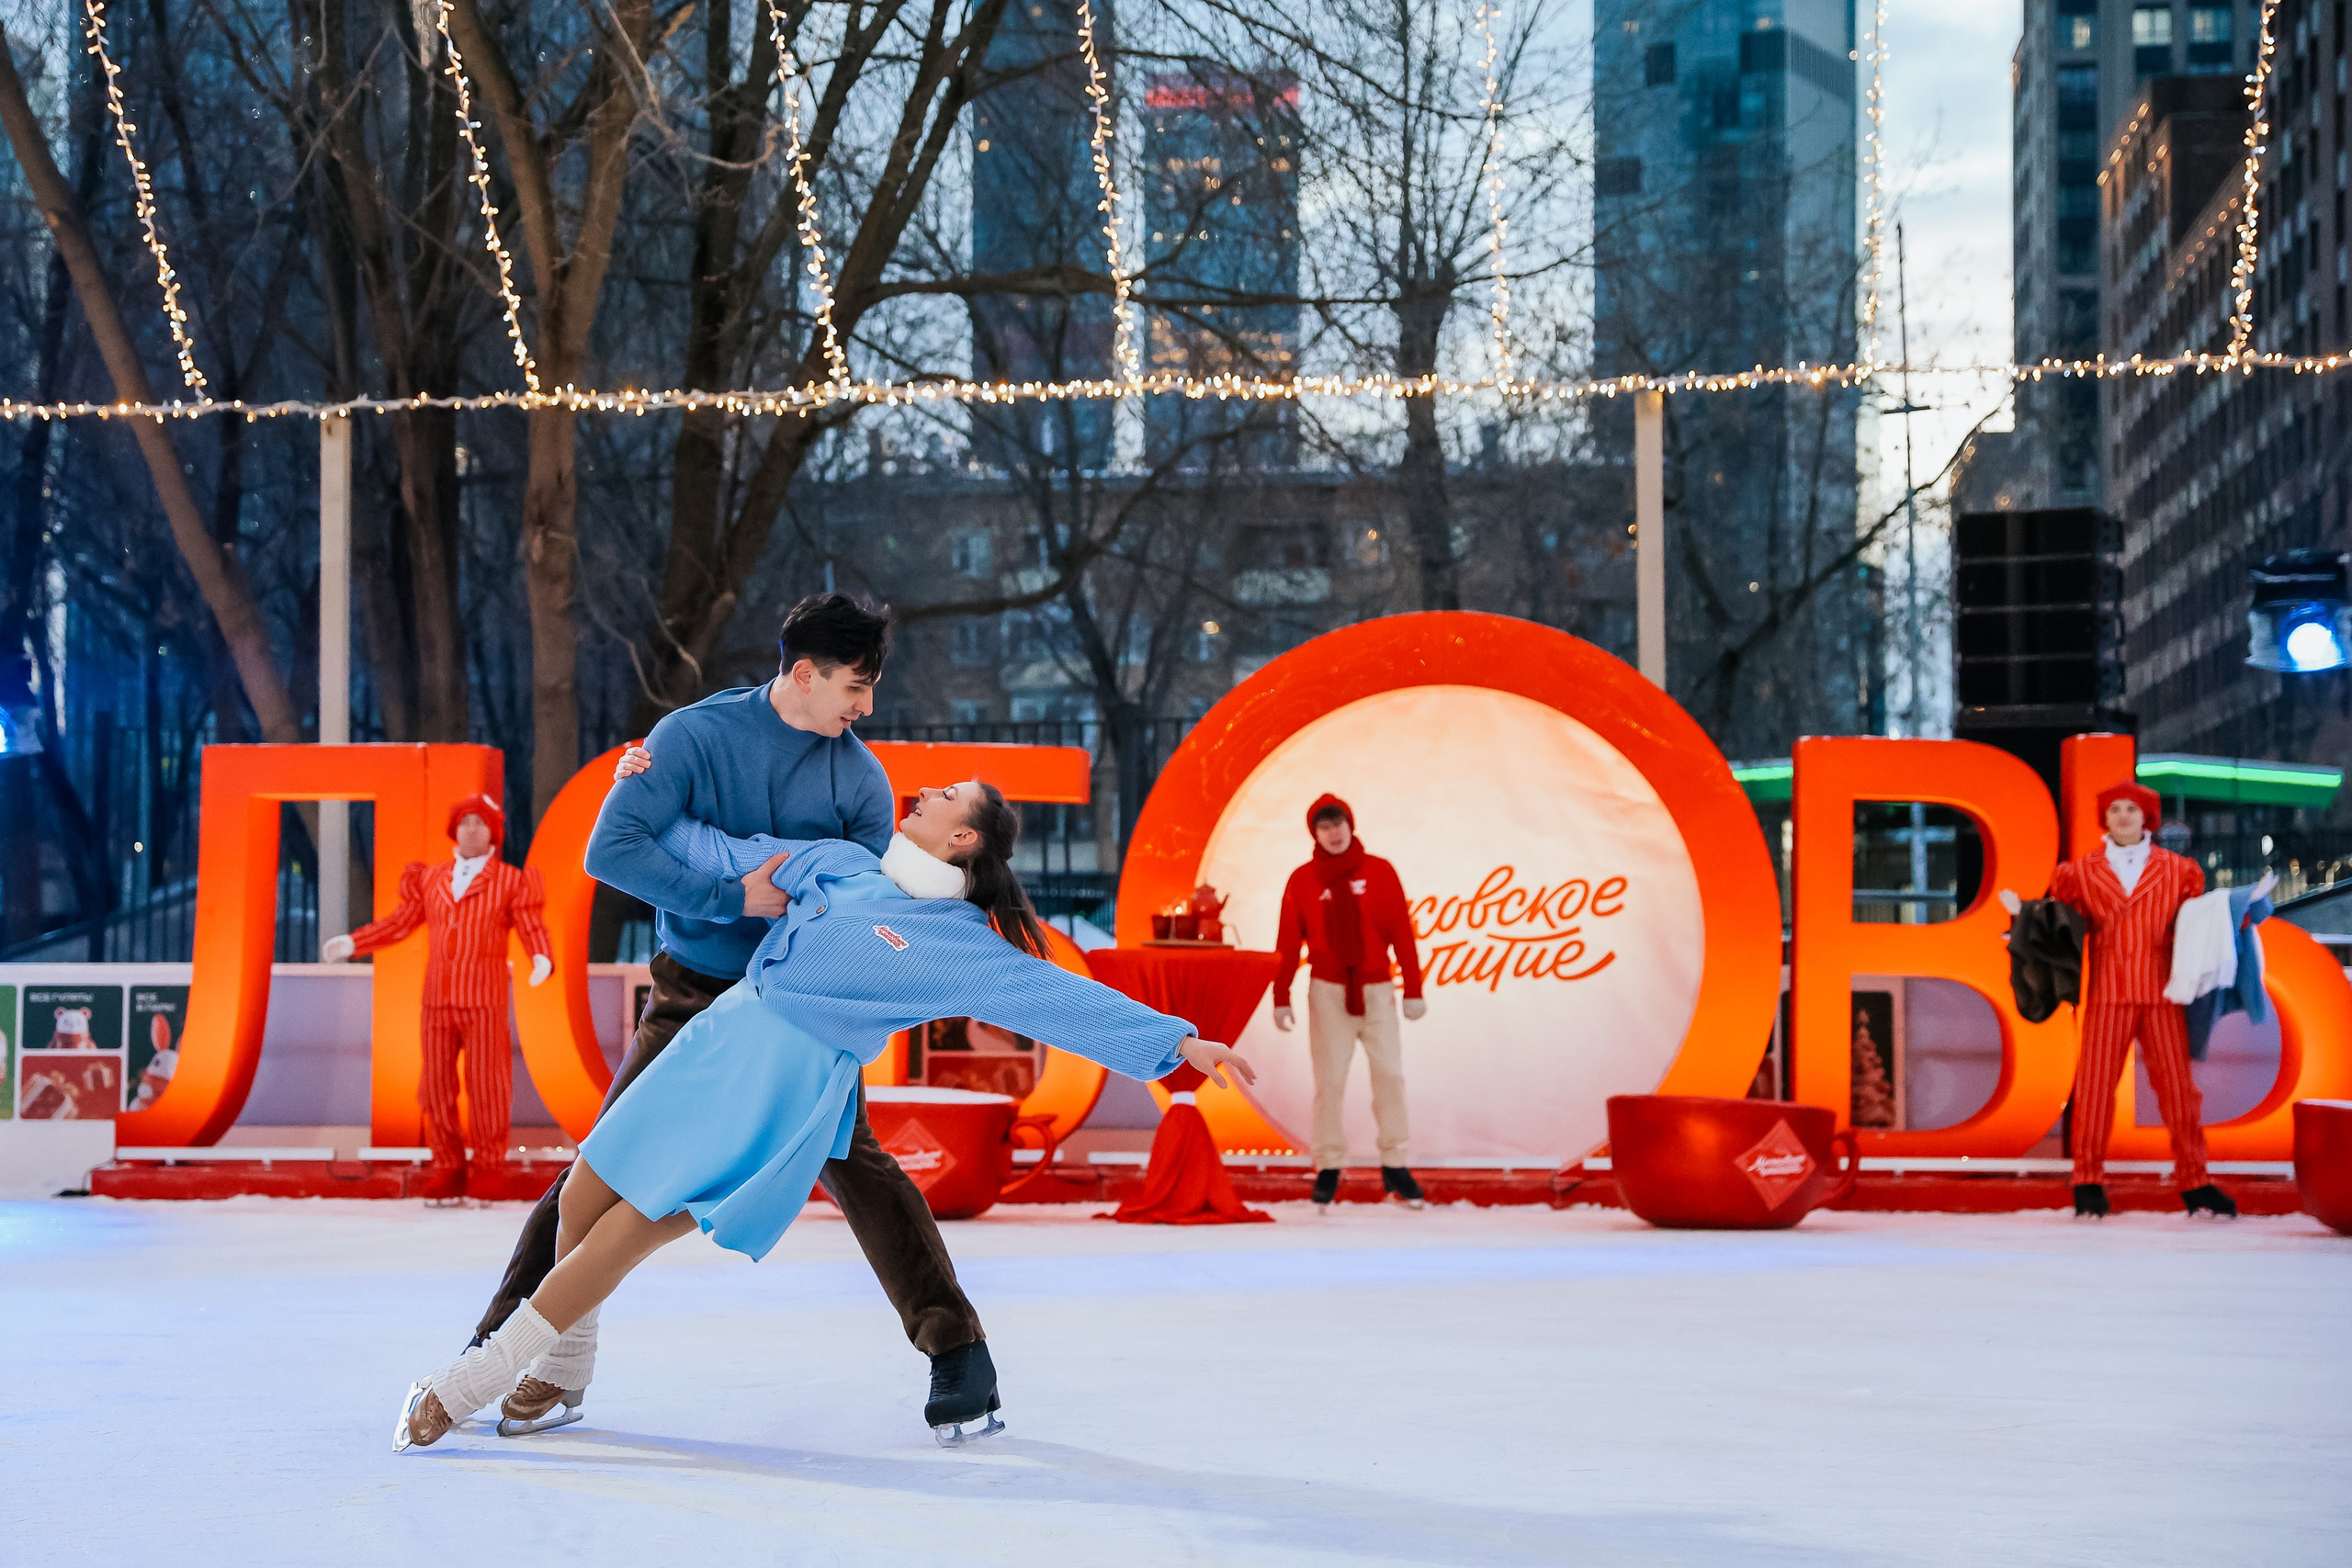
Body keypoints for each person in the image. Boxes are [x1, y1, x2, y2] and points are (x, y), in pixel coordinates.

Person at [394, 777, 1252, 1452]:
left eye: (948, 795)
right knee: (582, 1197)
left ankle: (468, 1384)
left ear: (964, 839)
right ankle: (567, 1371)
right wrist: (645, 791)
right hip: (714, 1040)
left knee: (624, 1231)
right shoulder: (841, 863)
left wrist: (1177, 1041)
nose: (926, 792)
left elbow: (1059, 997)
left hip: (781, 1084)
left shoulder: (961, 942)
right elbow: (726, 849)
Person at [465, 593, 1008, 1442]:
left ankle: (960, 1353)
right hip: (692, 990)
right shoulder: (691, 737)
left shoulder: (861, 780)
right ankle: (503, 1346)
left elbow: (860, 911)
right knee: (599, 1168)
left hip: (795, 1009)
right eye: (856, 686)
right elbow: (610, 850)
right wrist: (730, 898)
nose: (867, 706)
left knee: (854, 1158)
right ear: (805, 673)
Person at [323, 794, 552, 1198]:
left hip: (484, 1000)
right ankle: (447, 1164)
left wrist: (541, 957)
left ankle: (488, 1166)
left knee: (488, 1086)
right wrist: (355, 943)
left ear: (493, 832)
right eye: (465, 822)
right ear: (453, 830)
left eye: (480, 822)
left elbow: (531, 924)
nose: (471, 829)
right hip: (437, 1001)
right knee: (435, 1086)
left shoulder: (510, 880)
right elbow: (401, 922)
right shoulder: (431, 879)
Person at [2039, 781, 2236, 1220]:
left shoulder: (2179, 870)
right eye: (2114, 809)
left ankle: (2195, 1181)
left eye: (2131, 808)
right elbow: (2059, 925)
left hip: (2163, 993)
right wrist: (2025, 920)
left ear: (2147, 817)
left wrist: (2236, 916)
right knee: (2094, 1090)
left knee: (2180, 1092)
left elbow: (2199, 925)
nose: (2123, 816)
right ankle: (2087, 1180)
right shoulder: (2080, 872)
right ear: (2104, 819)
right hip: (2107, 994)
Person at [1270, 794, 1429, 1211]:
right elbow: (1288, 941)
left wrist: (1413, 988)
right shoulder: (1303, 880)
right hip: (1328, 991)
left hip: (1376, 989)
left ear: (1350, 825)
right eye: (1324, 827)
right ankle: (1328, 1165)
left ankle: (1395, 1162)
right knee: (1329, 1082)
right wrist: (1281, 995)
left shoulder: (1380, 871)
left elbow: (1401, 931)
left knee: (1390, 1075)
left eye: (1337, 823)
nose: (1333, 833)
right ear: (1315, 834)